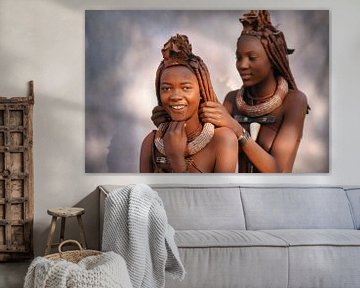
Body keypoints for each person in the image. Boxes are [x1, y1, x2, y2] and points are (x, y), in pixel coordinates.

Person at [152, 10, 309, 173]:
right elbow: (204, 135)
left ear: (272, 59)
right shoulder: (233, 99)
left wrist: (237, 130)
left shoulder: (295, 101)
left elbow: (278, 171)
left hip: (272, 195)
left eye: (252, 58)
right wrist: (170, 119)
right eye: (238, 57)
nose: (242, 65)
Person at [140, 34, 238, 173]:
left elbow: (220, 195)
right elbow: (142, 195)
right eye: (166, 88)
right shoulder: (151, 143)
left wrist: (176, 160)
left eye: (186, 88)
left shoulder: (223, 140)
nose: (175, 96)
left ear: (201, 93)